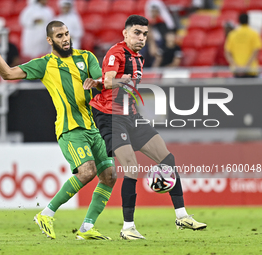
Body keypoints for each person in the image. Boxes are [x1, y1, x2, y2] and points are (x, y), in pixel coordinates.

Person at [0, 21, 116, 240]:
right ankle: (46, 214)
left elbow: (104, 82)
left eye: (67, 34)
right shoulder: (44, 64)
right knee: (87, 171)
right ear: (50, 40)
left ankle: (87, 228)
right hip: (71, 129)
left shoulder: (87, 57)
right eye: (60, 35)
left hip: (94, 127)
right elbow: (7, 74)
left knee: (109, 176)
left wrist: (97, 83)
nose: (65, 39)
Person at [89, 15, 207, 240]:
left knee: (167, 159)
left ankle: (181, 216)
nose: (141, 37)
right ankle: (127, 228)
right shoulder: (116, 52)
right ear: (125, 33)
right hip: (110, 116)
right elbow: (108, 80)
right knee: (131, 167)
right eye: (136, 32)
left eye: (144, 34)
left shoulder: (139, 58)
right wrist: (122, 81)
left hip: (131, 116)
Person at [225, 13, 262, 78]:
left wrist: (236, 66)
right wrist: (246, 67)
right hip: (251, 70)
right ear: (248, 21)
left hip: (237, 71)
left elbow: (227, 53)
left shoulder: (232, 35)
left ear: (239, 21)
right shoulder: (254, 33)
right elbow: (255, 51)